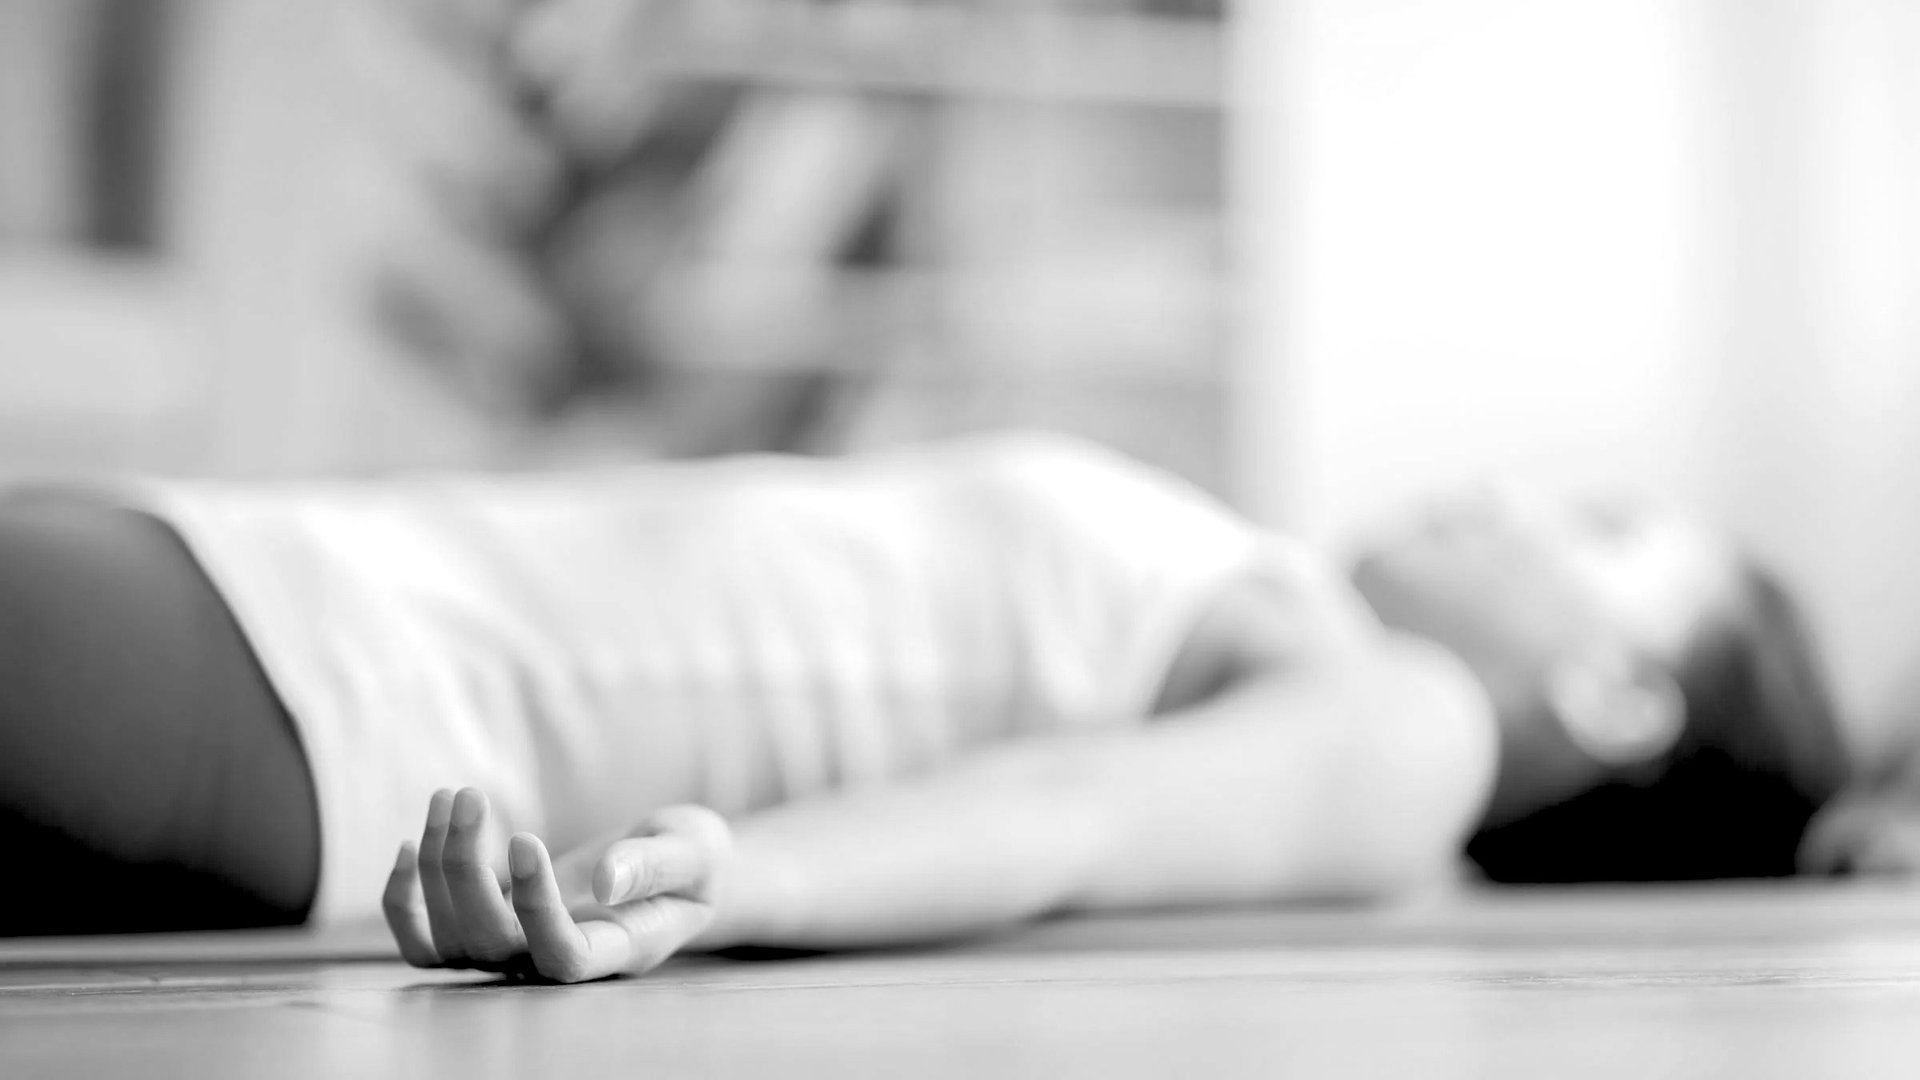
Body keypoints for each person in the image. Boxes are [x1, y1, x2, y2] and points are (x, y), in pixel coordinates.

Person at [0, 431, 1848, 980]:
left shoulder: (1408, 724)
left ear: (1616, 700)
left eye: (1598, 523)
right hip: (270, 596)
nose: (1508, 481)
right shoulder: (1264, 603)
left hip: (307, 685)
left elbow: (1058, 825)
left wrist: (721, 881)